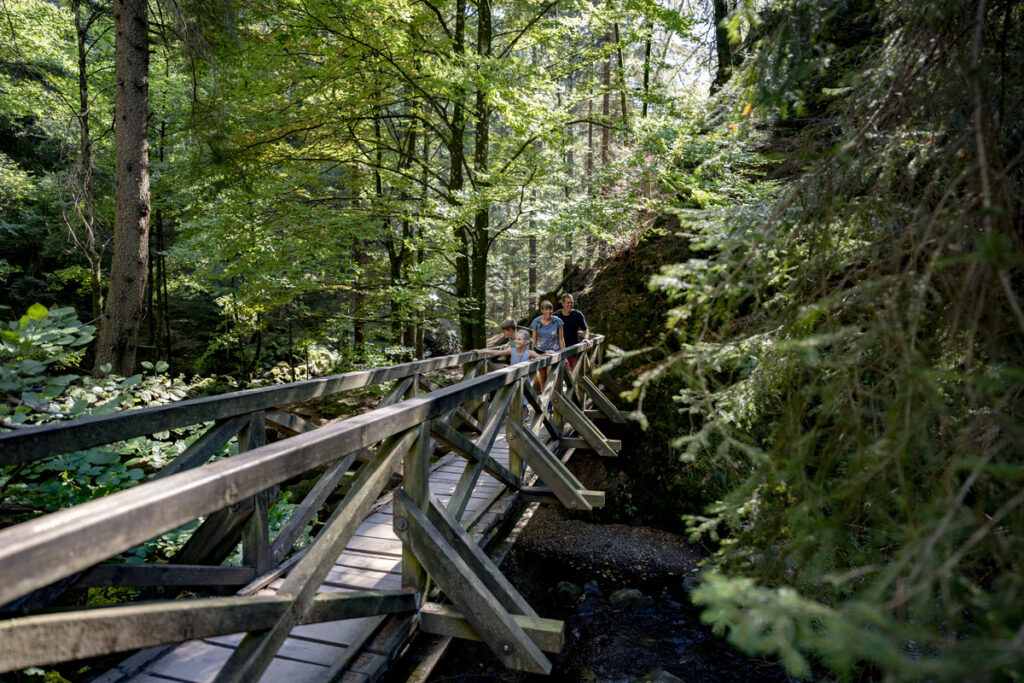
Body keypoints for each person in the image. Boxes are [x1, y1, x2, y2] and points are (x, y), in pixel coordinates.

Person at [476, 331, 544, 419]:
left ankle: (522, 425)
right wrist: (481, 351)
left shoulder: (530, 353)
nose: (516, 341)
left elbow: (541, 357)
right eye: (515, 339)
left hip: (524, 382)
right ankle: (514, 422)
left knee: (522, 404)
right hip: (512, 380)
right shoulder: (512, 350)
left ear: (526, 342)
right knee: (511, 402)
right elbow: (496, 353)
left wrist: (548, 353)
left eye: (519, 339)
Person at [530, 300, 565, 389]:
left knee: (550, 375)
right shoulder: (536, 322)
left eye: (550, 309)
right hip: (540, 352)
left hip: (553, 352)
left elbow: (561, 338)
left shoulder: (558, 321)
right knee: (542, 377)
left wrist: (563, 353)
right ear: (542, 310)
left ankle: (552, 398)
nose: (548, 312)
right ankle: (544, 400)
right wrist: (530, 352)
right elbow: (533, 339)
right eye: (546, 309)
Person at [555, 293, 590, 371]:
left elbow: (585, 329)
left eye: (572, 302)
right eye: (568, 302)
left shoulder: (577, 315)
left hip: (574, 348)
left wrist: (586, 338)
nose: (570, 305)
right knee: (559, 374)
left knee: (574, 373)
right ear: (563, 303)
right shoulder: (557, 316)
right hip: (560, 350)